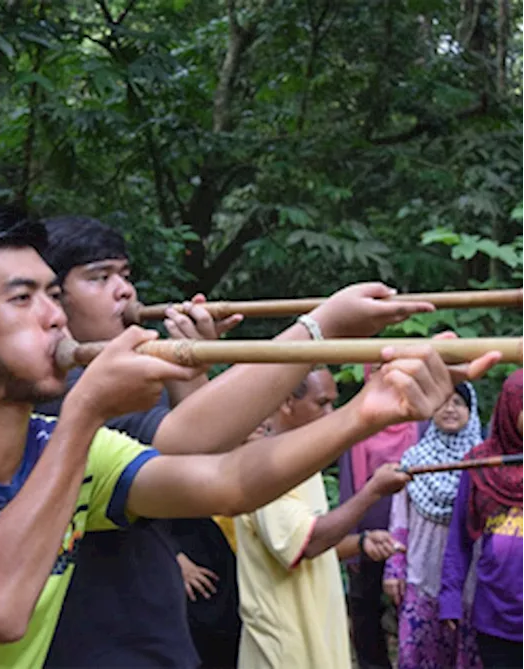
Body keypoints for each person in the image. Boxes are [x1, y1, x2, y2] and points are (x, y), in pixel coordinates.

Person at [0, 209, 496, 668]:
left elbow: (228, 481)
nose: (55, 315)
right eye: (24, 298)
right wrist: (86, 408)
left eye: (51, 294)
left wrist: (370, 410)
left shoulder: (67, 444)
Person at [35, 214, 426, 667]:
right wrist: (320, 330)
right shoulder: (68, 394)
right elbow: (195, 446)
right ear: (53, 302)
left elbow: (211, 458)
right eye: (99, 278)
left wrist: (193, 368)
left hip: (163, 628)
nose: (125, 290)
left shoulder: (128, 379)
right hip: (103, 639)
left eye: (124, 275)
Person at [234, 368, 409, 669]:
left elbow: (301, 542)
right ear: (287, 402)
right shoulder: (266, 464)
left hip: (316, 637)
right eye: (322, 403)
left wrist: (360, 542)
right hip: (286, 647)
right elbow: (308, 542)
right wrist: (372, 491)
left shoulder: (301, 460)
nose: (331, 413)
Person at [385, 382, 483, 669]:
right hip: (420, 574)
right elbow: (399, 521)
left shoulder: (485, 461)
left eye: (458, 403)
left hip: (472, 580)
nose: (450, 409)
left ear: (471, 409)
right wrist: (395, 568)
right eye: (442, 402)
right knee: (418, 656)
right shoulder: (414, 460)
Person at [339, 364, 425, 669]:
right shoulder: (358, 421)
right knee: (365, 608)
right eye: (376, 371)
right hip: (366, 530)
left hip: (412, 534)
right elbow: (349, 484)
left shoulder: (421, 420)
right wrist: (349, 537)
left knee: (410, 603)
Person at [167, 420, 270, 668]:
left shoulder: (269, 462)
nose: (261, 423)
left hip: (248, 579)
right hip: (202, 575)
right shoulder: (196, 458)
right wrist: (176, 558)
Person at [440, 370, 524, 668]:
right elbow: (459, 538)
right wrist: (450, 596)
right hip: (495, 615)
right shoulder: (481, 463)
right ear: (510, 408)